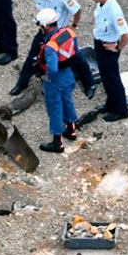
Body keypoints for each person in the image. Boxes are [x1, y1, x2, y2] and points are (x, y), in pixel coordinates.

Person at [10, 0, 96, 98]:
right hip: (45, 30)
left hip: (61, 33)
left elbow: (77, 10)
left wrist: (73, 26)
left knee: (75, 58)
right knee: (33, 56)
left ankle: (89, 84)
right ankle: (21, 83)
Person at [35, 9, 79, 153]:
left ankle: (57, 142)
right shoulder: (69, 33)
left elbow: (52, 68)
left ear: (46, 26)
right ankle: (72, 130)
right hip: (68, 74)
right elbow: (75, 52)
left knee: (54, 107)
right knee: (68, 100)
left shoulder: (50, 46)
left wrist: (47, 75)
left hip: (55, 79)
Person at [88, 0, 128, 122]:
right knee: (106, 77)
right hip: (100, 43)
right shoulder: (102, 4)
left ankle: (120, 110)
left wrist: (117, 47)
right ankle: (110, 103)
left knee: (113, 79)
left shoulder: (114, 10)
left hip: (109, 47)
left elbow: (126, 35)